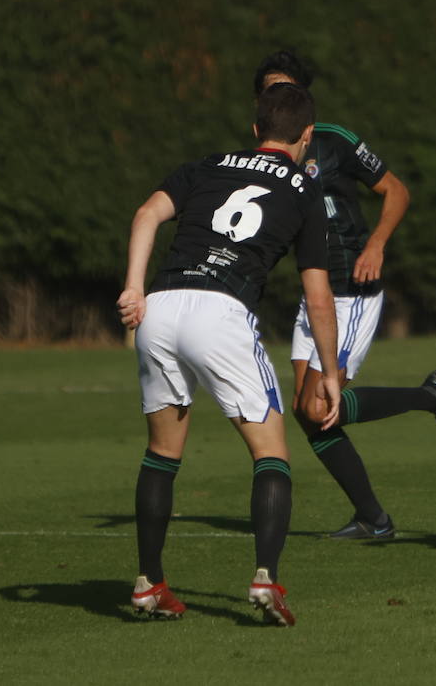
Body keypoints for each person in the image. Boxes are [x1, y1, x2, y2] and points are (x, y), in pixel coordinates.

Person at [117, 82, 341, 625]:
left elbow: (147, 213)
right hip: (221, 312)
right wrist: (330, 372)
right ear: (307, 136)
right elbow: (317, 295)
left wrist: (133, 287)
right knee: (271, 455)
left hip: (161, 306)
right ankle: (266, 576)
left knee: (162, 454)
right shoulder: (308, 192)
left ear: (255, 129)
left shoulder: (209, 164)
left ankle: (149, 583)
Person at [254, 51, 436, 541]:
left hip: (351, 290)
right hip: (313, 292)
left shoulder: (335, 142)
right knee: (305, 412)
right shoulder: (265, 156)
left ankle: (431, 396)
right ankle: (373, 520)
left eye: (286, 88)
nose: (279, 98)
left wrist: (375, 243)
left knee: (319, 408)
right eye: (270, 90)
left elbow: (396, 190)